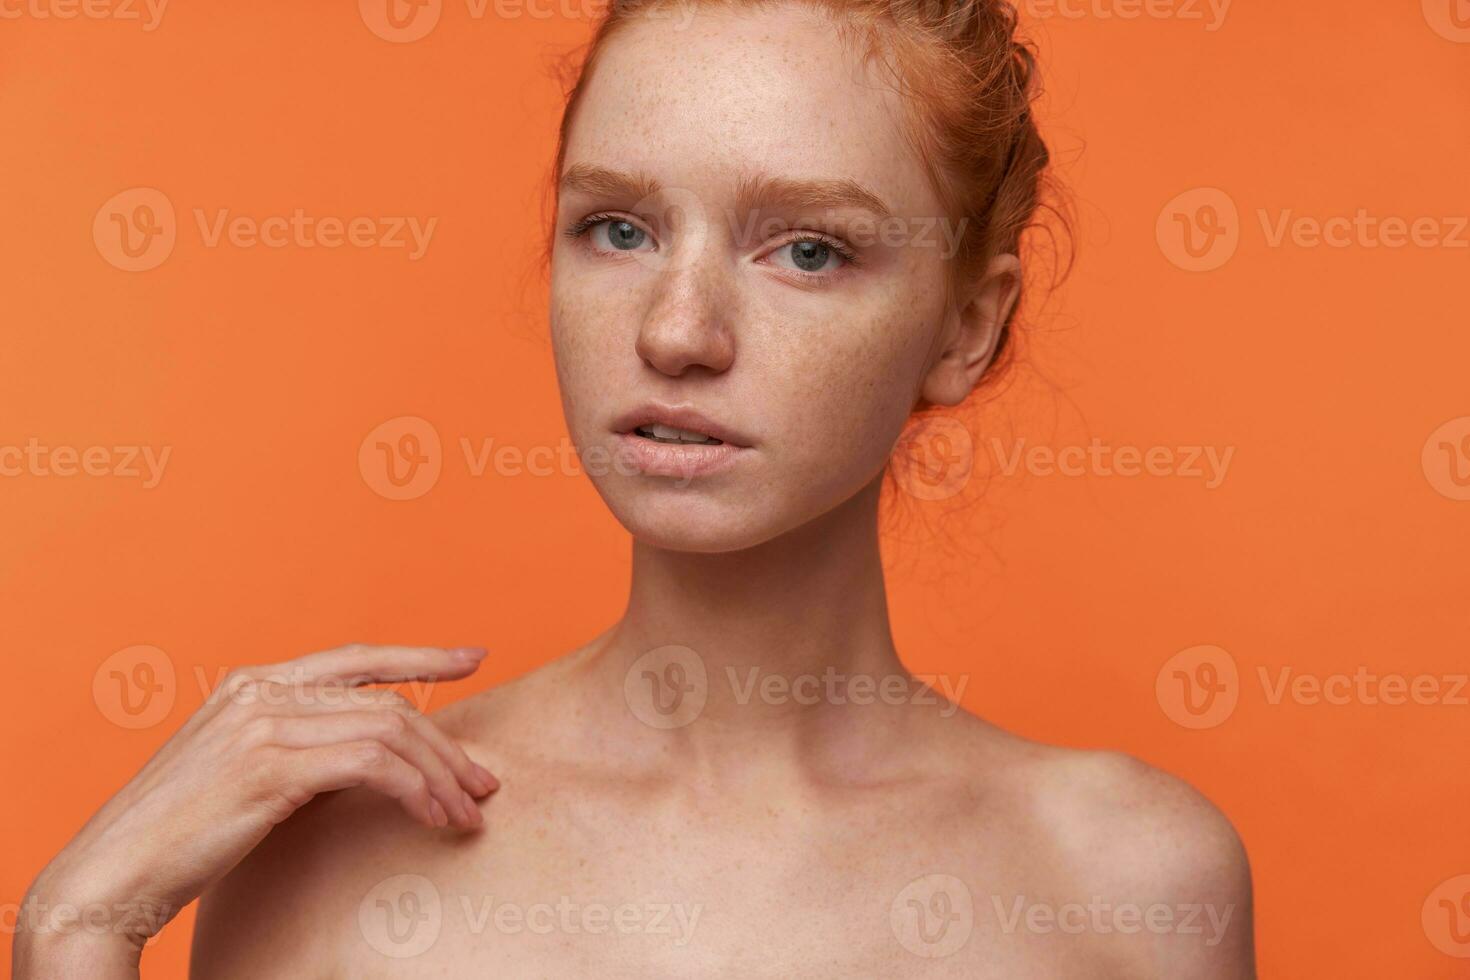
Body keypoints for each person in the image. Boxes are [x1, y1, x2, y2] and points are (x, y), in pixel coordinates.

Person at [15, 0, 1255, 975]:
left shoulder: (1131, 878)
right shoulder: (335, 853)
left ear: (965, 331)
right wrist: (75, 928)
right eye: (619, 228)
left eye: (808, 249)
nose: (677, 330)